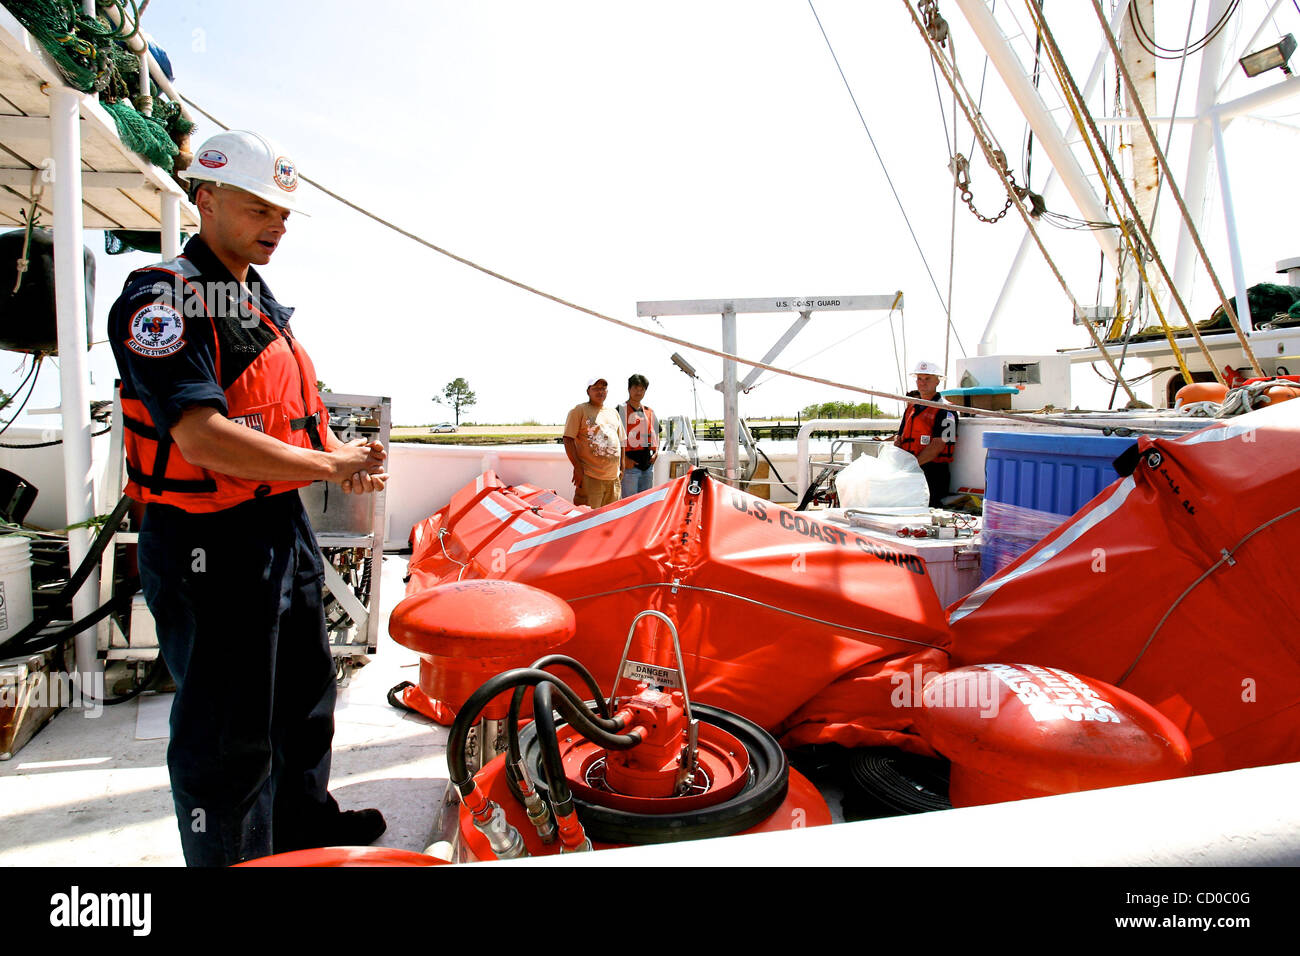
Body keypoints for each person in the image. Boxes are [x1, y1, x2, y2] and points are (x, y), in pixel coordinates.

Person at [108, 130, 389, 866]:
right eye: (259, 206)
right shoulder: (161, 298)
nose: (277, 224)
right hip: (210, 543)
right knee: (227, 732)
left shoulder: (254, 301)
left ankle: (303, 831)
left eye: (286, 214)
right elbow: (201, 436)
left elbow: (280, 408)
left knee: (304, 696)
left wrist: (337, 461)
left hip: (277, 527)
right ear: (205, 197)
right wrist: (328, 463)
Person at [894, 359, 958, 508]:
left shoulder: (946, 410)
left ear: (938, 381)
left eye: (927, 378)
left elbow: (938, 445)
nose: (922, 383)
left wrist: (912, 465)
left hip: (934, 473)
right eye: (919, 378)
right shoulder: (912, 407)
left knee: (929, 510)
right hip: (911, 470)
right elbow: (900, 436)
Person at [563, 376, 625, 509]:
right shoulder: (579, 410)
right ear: (588, 391)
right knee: (588, 520)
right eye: (596, 388)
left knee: (611, 520)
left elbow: (621, 441)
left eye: (603, 388)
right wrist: (577, 467)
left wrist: (622, 467)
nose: (600, 391)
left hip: (613, 479)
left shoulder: (614, 412)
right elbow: (568, 439)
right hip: (590, 477)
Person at [617, 373, 658, 497]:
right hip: (630, 467)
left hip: (648, 466)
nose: (638, 392)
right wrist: (623, 460)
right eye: (635, 388)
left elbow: (656, 433)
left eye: (642, 389)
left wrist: (656, 453)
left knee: (645, 504)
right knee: (629, 505)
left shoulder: (649, 411)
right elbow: (614, 439)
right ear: (629, 389)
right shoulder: (620, 410)